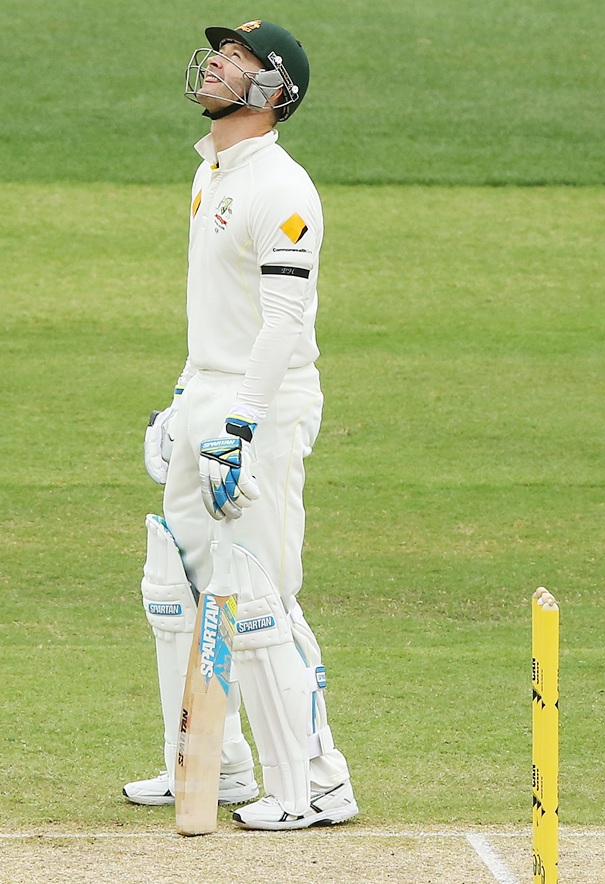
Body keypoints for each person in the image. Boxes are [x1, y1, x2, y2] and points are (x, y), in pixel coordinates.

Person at [122, 19, 358, 830]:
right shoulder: (211, 173)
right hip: (209, 395)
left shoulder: (282, 189)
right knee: (177, 583)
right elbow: (219, 316)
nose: (218, 64)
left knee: (261, 593)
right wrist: (183, 399)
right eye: (221, 52)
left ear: (274, 89)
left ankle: (319, 786)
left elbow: (283, 324)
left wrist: (244, 424)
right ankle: (208, 764)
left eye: (240, 59)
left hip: (266, 402)